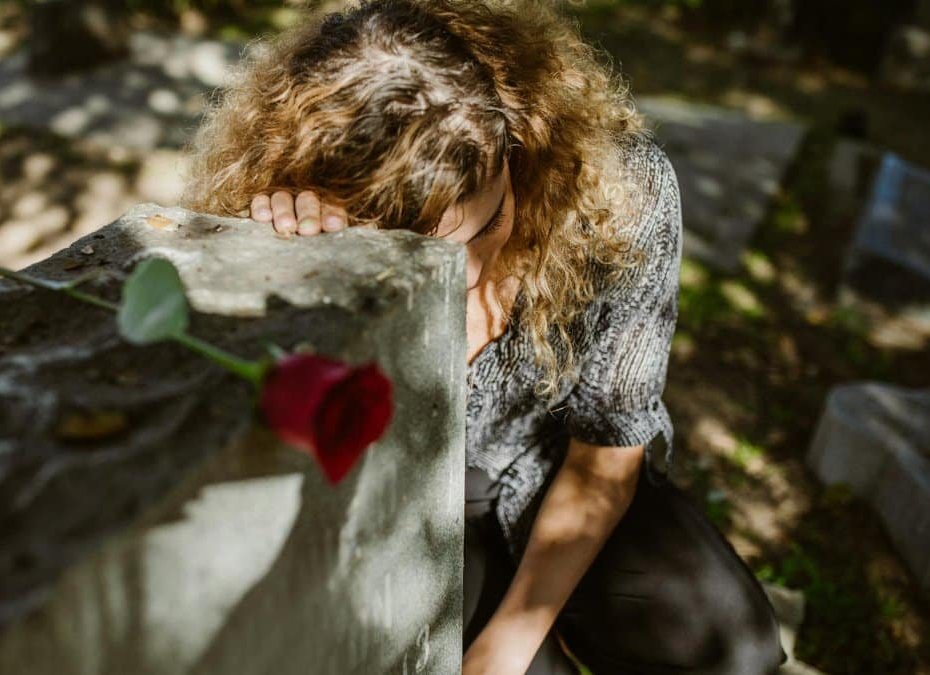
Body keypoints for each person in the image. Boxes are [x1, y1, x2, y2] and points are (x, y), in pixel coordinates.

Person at [178, 1, 788, 672]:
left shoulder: (624, 195)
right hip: (418, 497)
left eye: (488, 223)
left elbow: (605, 457)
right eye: (426, 253)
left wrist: (512, 637)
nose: (468, 276)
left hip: (564, 466)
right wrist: (299, 261)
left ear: (517, 134)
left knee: (735, 651)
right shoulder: (315, 216)